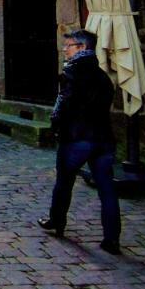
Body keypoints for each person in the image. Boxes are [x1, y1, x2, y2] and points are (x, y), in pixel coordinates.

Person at [38, 29, 122, 255]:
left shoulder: (71, 72)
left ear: (83, 47)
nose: (65, 50)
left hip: (77, 137)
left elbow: (62, 105)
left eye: (70, 46)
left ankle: (57, 220)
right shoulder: (103, 77)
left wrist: (56, 126)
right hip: (103, 138)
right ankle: (112, 238)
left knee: (64, 182)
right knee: (107, 189)